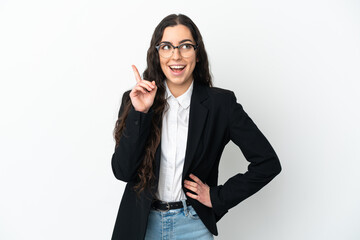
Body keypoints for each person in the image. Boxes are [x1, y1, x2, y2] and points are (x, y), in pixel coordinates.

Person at [111, 13, 281, 240]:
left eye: (185, 46)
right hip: (141, 226)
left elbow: (268, 163)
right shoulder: (135, 100)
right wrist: (140, 113)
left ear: (197, 54)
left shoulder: (221, 105)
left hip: (193, 227)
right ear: (157, 54)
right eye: (167, 46)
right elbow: (123, 171)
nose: (176, 55)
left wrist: (217, 197)